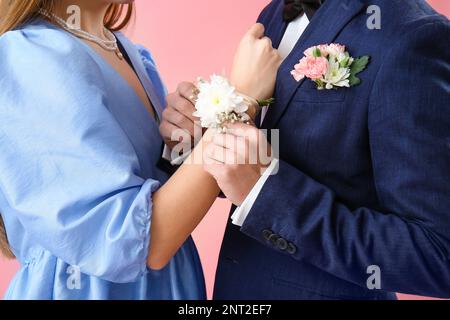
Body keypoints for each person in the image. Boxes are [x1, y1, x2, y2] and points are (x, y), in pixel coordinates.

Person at [161, 0, 450, 299]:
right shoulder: (275, 13)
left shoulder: (413, 35)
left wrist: (265, 194)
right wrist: (196, 140)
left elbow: (439, 252)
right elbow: (277, 153)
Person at [0, 0, 281, 299]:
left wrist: (187, 141)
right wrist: (238, 105)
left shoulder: (124, 50)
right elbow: (133, 241)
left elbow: (160, 195)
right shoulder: (32, 55)